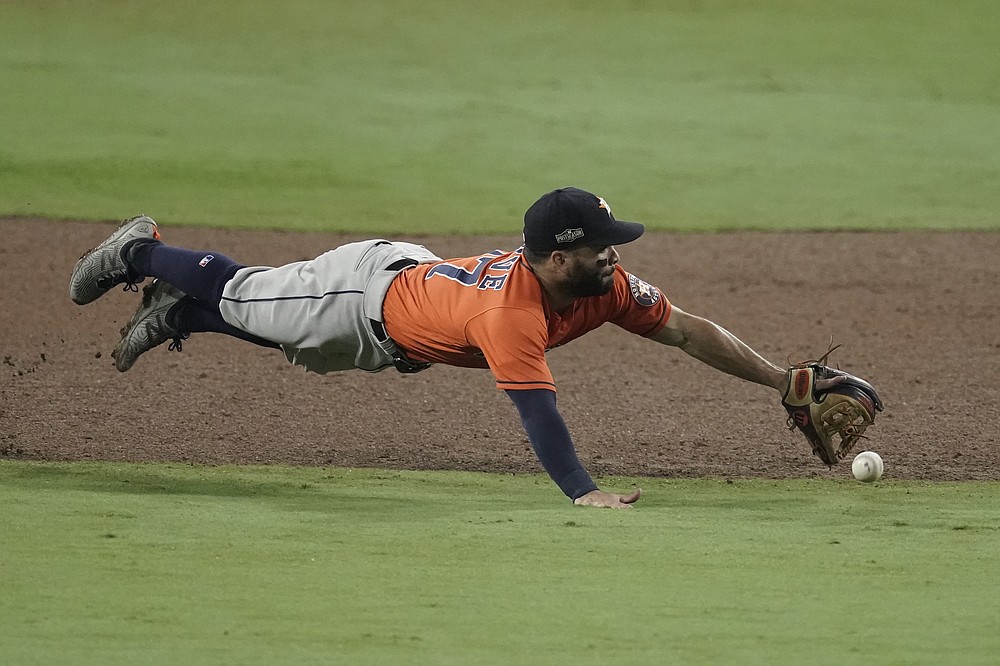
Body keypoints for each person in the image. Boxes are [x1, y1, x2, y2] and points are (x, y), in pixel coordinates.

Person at [68, 187, 861, 509]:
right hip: (363, 293)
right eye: (600, 249)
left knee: (294, 346)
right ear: (558, 260)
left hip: (403, 320)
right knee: (247, 294)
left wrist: (779, 380)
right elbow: (540, 417)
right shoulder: (515, 315)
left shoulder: (602, 288)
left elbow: (690, 331)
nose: (616, 258)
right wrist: (584, 495)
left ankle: (177, 317)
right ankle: (141, 253)